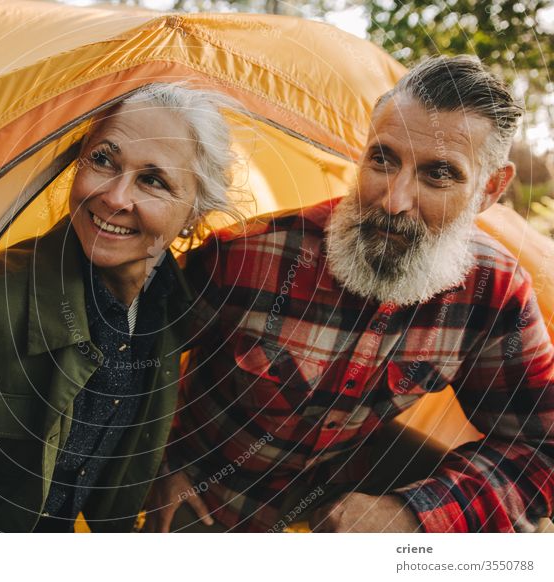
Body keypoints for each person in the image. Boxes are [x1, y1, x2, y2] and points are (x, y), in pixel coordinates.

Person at [146, 56, 554, 533]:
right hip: (209, 498)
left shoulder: (495, 292)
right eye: (383, 159)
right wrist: (157, 467)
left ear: (490, 190)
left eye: (438, 174)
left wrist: (411, 514)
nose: (394, 200)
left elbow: (541, 448)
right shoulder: (248, 255)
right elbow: (121, 364)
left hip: (345, 500)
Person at [0, 83, 241, 532]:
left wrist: (170, 472)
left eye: (153, 180)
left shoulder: (176, 309)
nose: (114, 197)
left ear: (194, 213)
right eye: (103, 160)